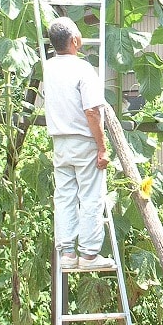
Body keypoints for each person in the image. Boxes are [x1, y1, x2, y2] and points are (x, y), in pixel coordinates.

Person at [42, 16, 115, 271]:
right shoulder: (83, 69)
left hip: (59, 142)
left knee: (63, 197)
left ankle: (67, 253)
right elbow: (92, 112)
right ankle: (89, 254)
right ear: (74, 40)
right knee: (92, 196)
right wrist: (103, 147)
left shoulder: (48, 68)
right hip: (83, 141)